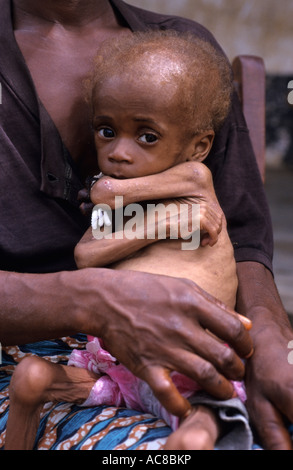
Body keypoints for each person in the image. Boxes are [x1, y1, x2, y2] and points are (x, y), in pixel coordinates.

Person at [0, 0, 292, 451]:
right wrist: (97, 300)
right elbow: (91, 251)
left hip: (198, 337)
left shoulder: (185, 55)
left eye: (147, 136)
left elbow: (245, 237)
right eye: (106, 131)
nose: (119, 153)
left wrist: (269, 337)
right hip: (28, 351)